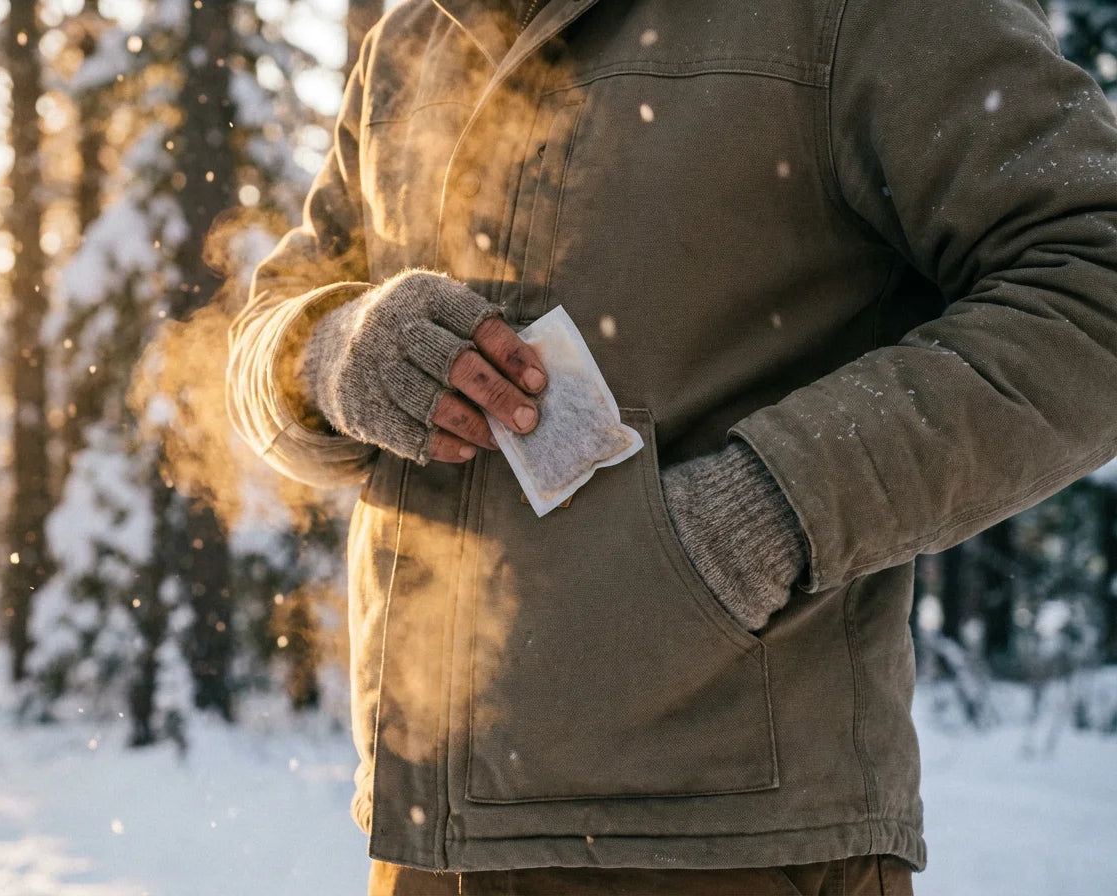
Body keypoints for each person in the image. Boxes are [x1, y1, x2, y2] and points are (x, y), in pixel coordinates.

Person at [227, 0, 1117, 892]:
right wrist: (329, 352)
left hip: (729, 844)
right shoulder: (413, 34)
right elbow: (267, 328)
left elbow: (1093, 284)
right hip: (426, 846)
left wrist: (770, 513)